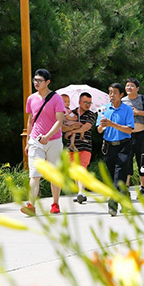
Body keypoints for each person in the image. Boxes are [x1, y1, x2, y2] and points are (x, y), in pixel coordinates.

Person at [21, 68, 66, 216]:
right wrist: (28, 141)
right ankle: (31, 205)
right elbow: (30, 120)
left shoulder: (56, 98)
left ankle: (55, 203)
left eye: (39, 81)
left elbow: (59, 121)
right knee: (34, 174)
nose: (36, 83)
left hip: (54, 140)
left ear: (47, 82)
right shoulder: (31, 99)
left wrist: (47, 136)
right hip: (36, 141)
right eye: (35, 80)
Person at [96, 83, 134, 216]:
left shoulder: (127, 109)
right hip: (108, 146)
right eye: (110, 92)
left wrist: (112, 124)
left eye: (115, 92)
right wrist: (102, 126)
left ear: (121, 95)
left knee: (119, 175)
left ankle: (112, 204)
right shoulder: (104, 109)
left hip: (124, 146)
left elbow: (129, 129)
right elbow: (99, 130)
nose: (112, 95)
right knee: (115, 177)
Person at [122, 78, 144, 196]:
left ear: (137, 88)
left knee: (143, 161)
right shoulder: (122, 101)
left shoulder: (143, 99)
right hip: (127, 135)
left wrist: (138, 112)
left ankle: (143, 187)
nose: (129, 88)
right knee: (126, 161)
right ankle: (125, 189)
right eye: (127, 85)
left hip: (142, 135)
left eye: (132, 85)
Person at [61, 92, 97, 204]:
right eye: (85, 102)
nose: (87, 105)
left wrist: (72, 131)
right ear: (79, 102)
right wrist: (69, 128)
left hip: (85, 146)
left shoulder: (91, 114)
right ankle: (80, 192)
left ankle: (81, 192)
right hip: (71, 147)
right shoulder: (71, 112)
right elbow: (62, 127)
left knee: (81, 168)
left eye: (89, 103)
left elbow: (86, 127)